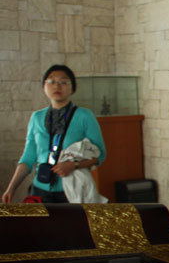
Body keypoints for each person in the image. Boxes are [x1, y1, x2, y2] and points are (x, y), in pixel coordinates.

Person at [3, 65, 106, 204]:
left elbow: (100, 155)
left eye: (63, 82)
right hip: (40, 190)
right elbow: (28, 158)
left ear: (73, 88)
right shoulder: (36, 117)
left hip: (71, 191)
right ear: (44, 87)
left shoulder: (85, 116)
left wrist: (73, 165)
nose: (57, 86)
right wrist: (11, 188)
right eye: (51, 81)